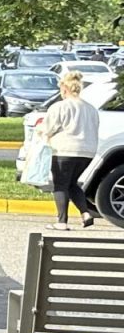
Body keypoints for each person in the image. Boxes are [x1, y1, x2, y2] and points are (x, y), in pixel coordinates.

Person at [41, 69, 102, 228]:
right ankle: (85, 212)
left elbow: (48, 128)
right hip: (87, 152)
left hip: (64, 150)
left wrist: (41, 135)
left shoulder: (60, 106)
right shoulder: (91, 109)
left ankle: (62, 221)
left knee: (60, 185)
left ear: (65, 89)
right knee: (72, 183)